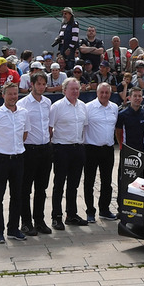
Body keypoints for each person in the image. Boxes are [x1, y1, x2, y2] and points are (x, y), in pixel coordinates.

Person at [0, 82, 29, 243]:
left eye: (15, 94)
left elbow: (25, 134)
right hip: (2, 160)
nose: (13, 97)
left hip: (18, 159)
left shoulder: (23, 113)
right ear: (3, 95)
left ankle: (13, 229)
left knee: (17, 195)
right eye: (10, 94)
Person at [49, 78, 89, 229]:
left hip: (77, 148)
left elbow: (84, 127)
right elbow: (50, 129)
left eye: (77, 89)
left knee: (74, 184)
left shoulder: (83, 106)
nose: (75, 92)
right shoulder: (57, 107)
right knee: (59, 184)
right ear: (64, 90)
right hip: (61, 148)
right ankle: (56, 216)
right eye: (72, 89)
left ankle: (71, 214)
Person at [17, 72, 53, 235]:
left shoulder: (47, 102)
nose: (41, 87)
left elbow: (48, 125)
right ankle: (26, 222)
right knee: (26, 188)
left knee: (42, 187)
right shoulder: (23, 103)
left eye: (44, 84)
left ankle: (39, 220)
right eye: (38, 84)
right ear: (32, 85)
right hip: (29, 150)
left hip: (45, 149)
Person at [83, 82, 119, 222]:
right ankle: (90, 211)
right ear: (97, 93)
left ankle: (104, 209)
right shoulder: (88, 107)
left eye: (107, 93)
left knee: (107, 181)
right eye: (102, 92)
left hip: (108, 149)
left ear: (110, 94)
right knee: (89, 182)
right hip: (91, 149)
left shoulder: (114, 107)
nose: (104, 95)